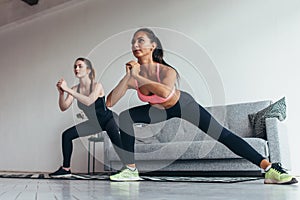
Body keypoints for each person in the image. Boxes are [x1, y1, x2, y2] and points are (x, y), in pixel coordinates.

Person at [106, 28, 298, 184]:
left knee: (222, 134)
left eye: (140, 40)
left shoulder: (165, 70)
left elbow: (164, 92)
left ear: (152, 46)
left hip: (183, 105)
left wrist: (138, 76)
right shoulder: (134, 76)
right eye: (133, 42)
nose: (135, 45)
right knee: (125, 117)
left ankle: (269, 168)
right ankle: (130, 170)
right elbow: (110, 102)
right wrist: (128, 77)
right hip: (158, 111)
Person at [50, 57, 125, 177]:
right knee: (67, 135)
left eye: (80, 66)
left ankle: (128, 169)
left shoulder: (97, 86)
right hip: (94, 123)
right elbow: (64, 107)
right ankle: (66, 169)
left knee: (118, 143)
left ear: (88, 70)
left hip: (108, 119)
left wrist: (68, 89)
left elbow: (89, 101)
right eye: (75, 66)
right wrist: (61, 93)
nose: (76, 69)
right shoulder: (75, 89)